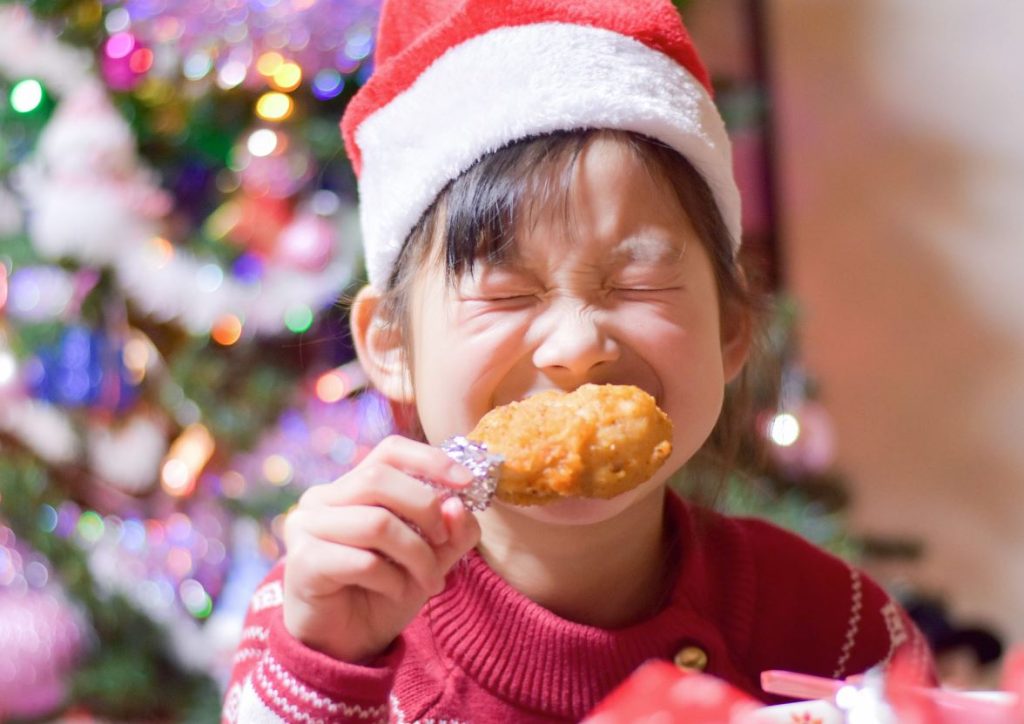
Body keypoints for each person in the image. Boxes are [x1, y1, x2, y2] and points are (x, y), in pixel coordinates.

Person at [223, 1, 931, 721]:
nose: (574, 348)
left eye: (637, 282)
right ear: (391, 344)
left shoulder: (830, 623)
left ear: (732, 328)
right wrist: (329, 668)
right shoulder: (330, 612)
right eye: (507, 293)